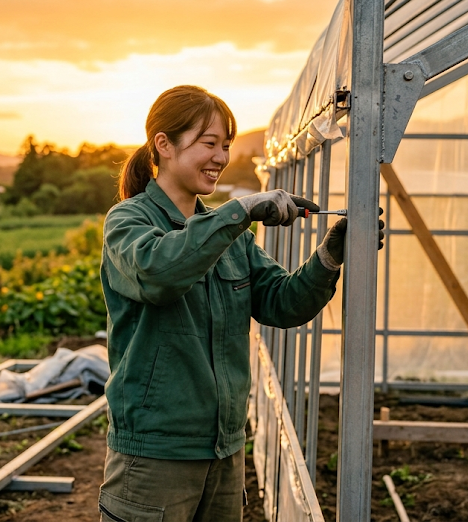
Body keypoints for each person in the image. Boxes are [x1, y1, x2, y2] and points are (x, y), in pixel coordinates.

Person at [98, 85, 379, 522]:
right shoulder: (129, 221)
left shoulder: (231, 239)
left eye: (225, 146)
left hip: (224, 453)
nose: (220, 157)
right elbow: (159, 274)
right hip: (155, 457)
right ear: (164, 145)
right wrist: (240, 210)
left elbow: (282, 304)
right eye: (208, 143)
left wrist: (329, 255)